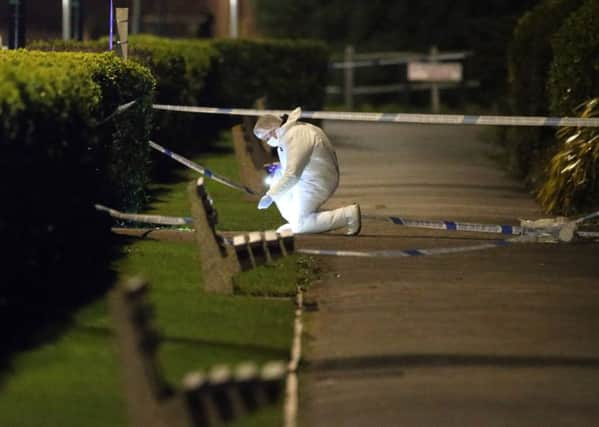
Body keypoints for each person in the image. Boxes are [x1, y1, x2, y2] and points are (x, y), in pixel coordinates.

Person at [253, 107, 361, 235]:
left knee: (300, 226)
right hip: (308, 177)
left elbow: (293, 174)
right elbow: (296, 164)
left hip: (316, 180)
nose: (268, 142)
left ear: (272, 130)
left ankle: (348, 215)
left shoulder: (295, 136)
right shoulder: (290, 134)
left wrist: (271, 196)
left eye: (266, 138)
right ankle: (297, 221)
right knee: (276, 179)